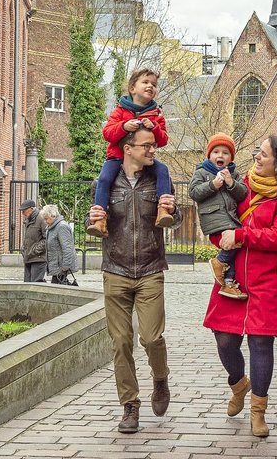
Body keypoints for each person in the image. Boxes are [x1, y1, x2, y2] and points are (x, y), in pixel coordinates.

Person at [203, 135, 277, 438]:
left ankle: (257, 411)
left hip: (269, 281)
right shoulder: (240, 185)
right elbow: (220, 219)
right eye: (256, 152)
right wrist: (222, 238)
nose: (257, 158)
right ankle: (239, 384)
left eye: (263, 154)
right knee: (224, 339)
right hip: (233, 278)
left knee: (261, 344)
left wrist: (242, 236)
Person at [87, 125, 182, 434]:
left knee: (152, 338)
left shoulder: (158, 180)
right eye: (146, 146)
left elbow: (176, 218)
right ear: (128, 149)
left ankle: (160, 378)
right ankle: (130, 406)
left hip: (151, 269)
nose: (152, 150)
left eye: (153, 145)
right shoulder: (105, 182)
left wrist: (173, 211)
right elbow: (95, 218)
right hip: (115, 270)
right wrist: (92, 218)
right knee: (120, 342)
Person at [87, 67, 173, 238]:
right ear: (133, 88)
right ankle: (99, 219)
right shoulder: (119, 111)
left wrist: (154, 127)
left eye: (154, 84)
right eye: (145, 82)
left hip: (144, 160)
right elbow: (107, 133)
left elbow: (163, 140)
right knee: (104, 179)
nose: (150, 86)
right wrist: (123, 126)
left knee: (163, 170)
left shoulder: (156, 114)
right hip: (116, 157)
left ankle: (163, 209)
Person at [189, 132, 249, 300]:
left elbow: (243, 194)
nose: (220, 155)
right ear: (209, 155)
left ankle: (228, 282)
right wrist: (212, 185)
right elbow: (193, 192)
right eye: (216, 152)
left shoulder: (234, 175)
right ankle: (219, 261)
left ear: (231, 157)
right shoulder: (201, 172)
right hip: (214, 217)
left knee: (235, 245)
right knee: (235, 241)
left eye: (225, 152)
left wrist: (231, 183)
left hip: (230, 218)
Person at [40, 204, 78, 284]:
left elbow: (67, 248)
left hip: (61, 267)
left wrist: (65, 266)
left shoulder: (61, 227)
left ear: (53, 216)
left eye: (46, 219)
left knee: (57, 288)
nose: (45, 221)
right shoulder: (51, 228)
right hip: (57, 266)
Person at [20, 199, 47, 282]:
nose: (23, 213)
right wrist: (24, 249)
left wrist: (35, 250)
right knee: (27, 285)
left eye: (24, 210)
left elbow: (47, 239)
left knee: (35, 285)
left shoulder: (41, 219)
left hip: (38, 258)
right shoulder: (29, 220)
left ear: (31, 209)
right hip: (29, 257)